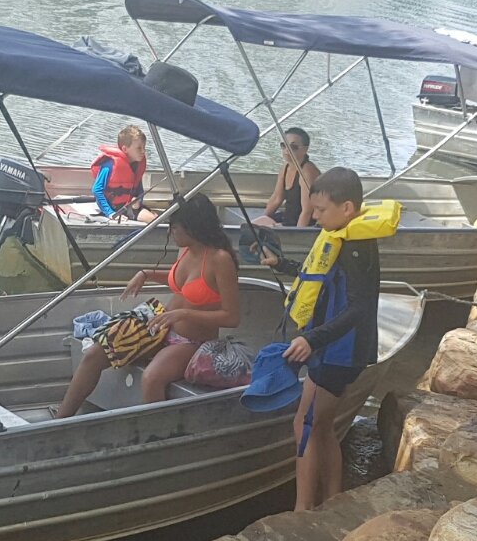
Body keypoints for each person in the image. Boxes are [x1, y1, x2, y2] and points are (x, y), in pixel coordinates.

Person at [264, 168, 398, 510]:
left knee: (306, 424)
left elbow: (359, 309)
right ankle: (333, 498)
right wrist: (282, 264)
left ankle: (303, 509)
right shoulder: (341, 235)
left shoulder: (356, 248)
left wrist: (313, 339)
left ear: (347, 208)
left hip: (340, 351)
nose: (316, 216)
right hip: (330, 348)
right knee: (320, 426)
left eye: (321, 210)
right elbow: (319, 274)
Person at [50, 194, 241, 418]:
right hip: (161, 327)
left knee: (152, 377)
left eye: (175, 227)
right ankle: (61, 420)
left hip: (192, 342)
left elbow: (231, 317)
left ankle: (156, 433)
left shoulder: (220, 260)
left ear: (194, 227)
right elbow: (182, 281)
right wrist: (146, 274)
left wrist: (184, 314)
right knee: (95, 353)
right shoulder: (186, 250)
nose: (171, 232)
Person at [252, 128, 319, 229]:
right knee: (250, 226)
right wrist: (265, 217)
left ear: (305, 150)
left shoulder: (307, 171)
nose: (287, 150)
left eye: (293, 147)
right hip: (288, 218)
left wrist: (296, 234)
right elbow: (277, 198)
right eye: (284, 145)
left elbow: (307, 211)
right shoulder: (285, 167)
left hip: (303, 223)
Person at [91, 125, 156, 222]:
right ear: (125, 149)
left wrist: (138, 200)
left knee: (156, 219)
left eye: (144, 147)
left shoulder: (137, 166)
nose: (143, 151)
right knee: (153, 220)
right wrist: (110, 213)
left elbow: (140, 190)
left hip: (129, 207)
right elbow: (97, 190)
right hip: (112, 209)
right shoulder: (110, 165)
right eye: (139, 148)